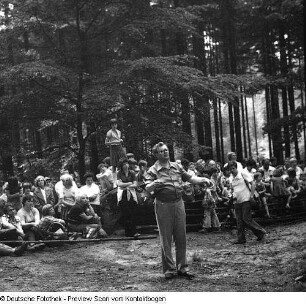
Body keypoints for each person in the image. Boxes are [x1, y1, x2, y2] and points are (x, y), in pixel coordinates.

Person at [145, 142, 213, 280]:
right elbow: (147, 188)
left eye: (166, 150)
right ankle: (169, 269)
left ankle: (182, 267)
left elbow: (190, 178)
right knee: (166, 238)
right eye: (162, 151)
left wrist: (203, 179)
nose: (165, 152)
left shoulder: (176, 166)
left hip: (178, 203)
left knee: (181, 236)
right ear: (156, 154)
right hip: (163, 205)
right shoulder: (153, 170)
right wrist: (154, 184)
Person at [227, 161, 266, 245]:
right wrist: (232, 197)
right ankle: (241, 239)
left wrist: (251, 196)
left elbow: (253, 184)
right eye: (230, 169)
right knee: (239, 221)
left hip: (246, 199)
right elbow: (232, 189)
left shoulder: (242, 174)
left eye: (233, 168)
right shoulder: (230, 178)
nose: (232, 171)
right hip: (236, 201)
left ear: (236, 167)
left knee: (246, 219)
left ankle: (261, 230)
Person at [116, 157, 139, 237]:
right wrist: (129, 183)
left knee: (132, 212)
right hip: (123, 195)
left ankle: (134, 231)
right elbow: (119, 184)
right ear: (121, 166)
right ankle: (127, 232)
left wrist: (125, 184)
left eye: (126, 164)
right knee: (125, 213)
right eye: (124, 164)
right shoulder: (119, 173)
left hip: (131, 194)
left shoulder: (132, 173)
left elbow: (135, 184)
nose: (126, 165)